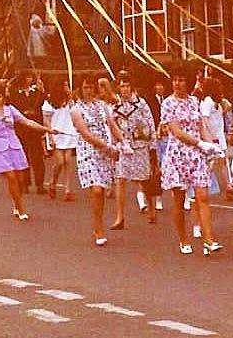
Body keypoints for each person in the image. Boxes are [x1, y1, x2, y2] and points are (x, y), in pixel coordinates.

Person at [160, 65, 224, 256]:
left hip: (196, 155)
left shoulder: (194, 101)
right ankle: (183, 239)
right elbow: (177, 131)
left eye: (181, 80)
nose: (178, 84)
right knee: (179, 200)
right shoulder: (168, 103)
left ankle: (209, 240)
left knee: (202, 196)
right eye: (175, 80)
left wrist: (210, 144)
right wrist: (200, 143)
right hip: (178, 154)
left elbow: (200, 125)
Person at [0, 80, 56, 221]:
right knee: (11, 177)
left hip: (15, 147)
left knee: (20, 180)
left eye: (0, 96)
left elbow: (27, 122)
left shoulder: (10, 109)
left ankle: (16, 201)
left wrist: (47, 129)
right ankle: (21, 209)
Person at [70, 75, 124, 244]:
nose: (89, 90)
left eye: (92, 87)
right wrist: (107, 148)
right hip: (88, 151)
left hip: (104, 152)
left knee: (102, 189)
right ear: (80, 89)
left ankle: (98, 223)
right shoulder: (76, 110)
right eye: (86, 87)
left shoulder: (102, 106)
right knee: (96, 190)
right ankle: (98, 228)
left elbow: (112, 125)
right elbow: (85, 134)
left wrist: (123, 142)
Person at [111, 74, 157, 227]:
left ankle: (151, 207)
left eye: (126, 85)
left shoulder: (141, 103)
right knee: (120, 180)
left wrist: (152, 146)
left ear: (131, 87)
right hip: (123, 147)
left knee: (143, 181)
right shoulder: (115, 105)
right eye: (121, 86)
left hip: (139, 146)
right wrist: (113, 146)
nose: (124, 89)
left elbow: (150, 124)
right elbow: (111, 126)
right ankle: (120, 217)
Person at [8, 71, 48, 193]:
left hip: (34, 128)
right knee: (24, 157)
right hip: (22, 129)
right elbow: (13, 107)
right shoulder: (16, 93)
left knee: (37, 157)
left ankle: (40, 184)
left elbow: (41, 103)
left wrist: (42, 91)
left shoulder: (35, 92)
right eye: (27, 77)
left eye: (31, 77)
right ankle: (25, 183)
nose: (29, 79)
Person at [48, 79, 78, 201]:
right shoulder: (49, 102)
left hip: (69, 132)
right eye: (64, 85)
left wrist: (70, 95)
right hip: (56, 132)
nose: (66, 87)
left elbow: (74, 110)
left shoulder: (69, 101)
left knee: (68, 161)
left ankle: (68, 188)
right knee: (59, 161)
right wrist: (50, 136)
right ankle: (53, 182)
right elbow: (47, 120)